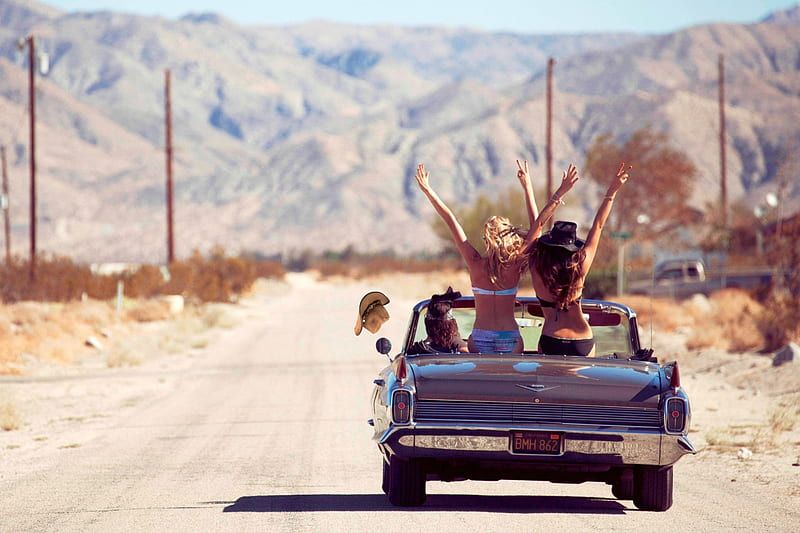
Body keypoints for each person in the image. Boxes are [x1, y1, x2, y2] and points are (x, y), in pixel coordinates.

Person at [415, 162, 578, 353]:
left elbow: (451, 220)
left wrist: (428, 190)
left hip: (479, 338)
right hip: (510, 339)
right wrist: (554, 191)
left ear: (487, 240)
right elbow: (539, 224)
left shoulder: (475, 263)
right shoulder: (515, 264)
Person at [526, 162, 631, 356]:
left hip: (551, 337)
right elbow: (598, 225)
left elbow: (537, 226)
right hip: (582, 339)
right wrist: (611, 192)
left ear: (548, 243)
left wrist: (551, 192)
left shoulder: (537, 267)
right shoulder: (580, 265)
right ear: (572, 246)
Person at [407, 287, 468, 354]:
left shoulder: (416, 351)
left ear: (427, 324)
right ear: (452, 326)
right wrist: (458, 341)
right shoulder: (463, 352)